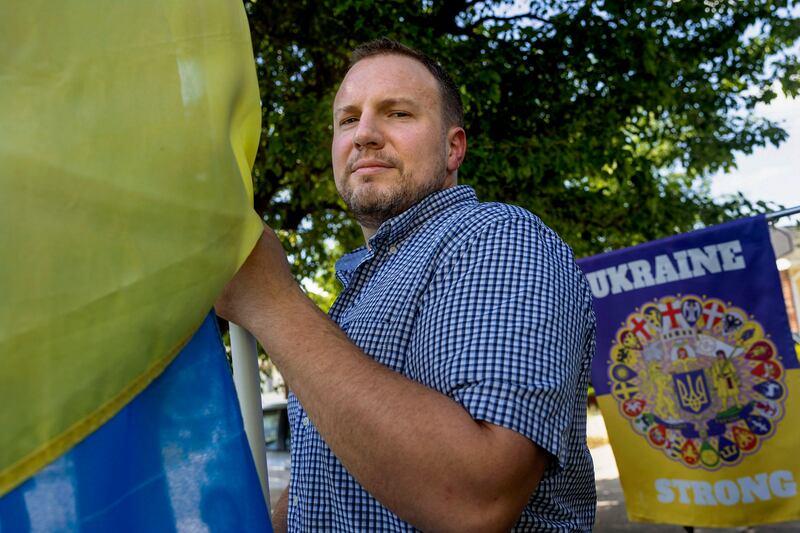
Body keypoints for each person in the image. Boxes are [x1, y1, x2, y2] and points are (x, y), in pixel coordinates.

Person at [216, 38, 597, 532]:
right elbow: (341, 469)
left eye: (396, 113)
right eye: (348, 120)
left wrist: (271, 303)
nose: (364, 135)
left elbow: (476, 501)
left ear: (453, 147)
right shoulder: (358, 294)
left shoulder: (497, 237)